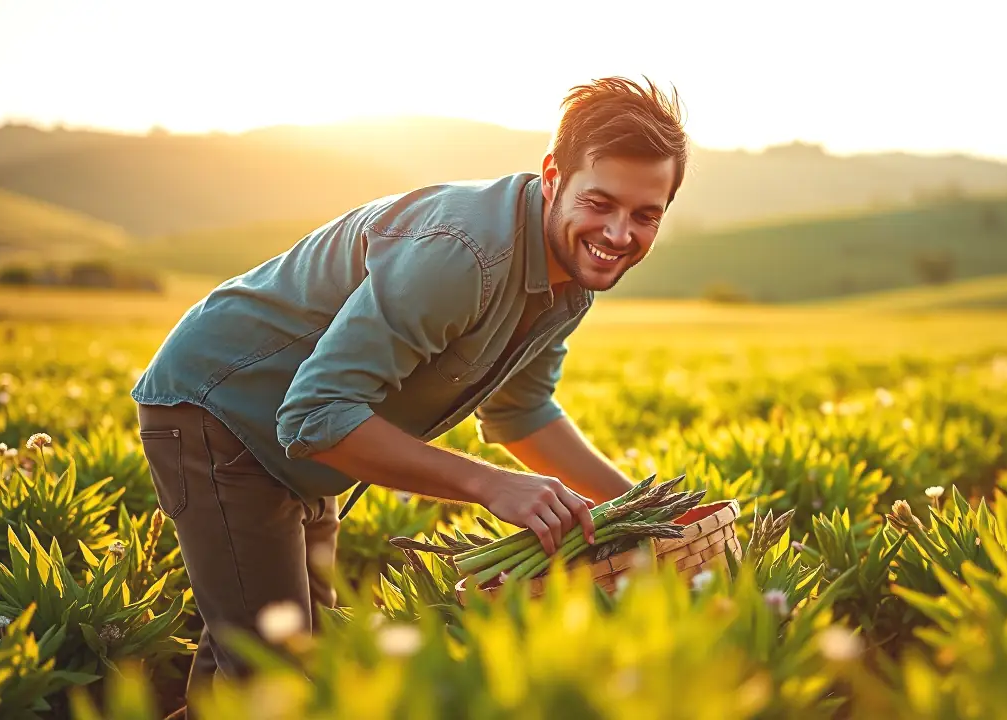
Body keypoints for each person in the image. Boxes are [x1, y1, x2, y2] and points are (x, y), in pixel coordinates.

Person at [130, 75, 689, 713]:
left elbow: (522, 414)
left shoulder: (571, 281)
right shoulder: (463, 253)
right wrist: (493, 485)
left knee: (269, 667)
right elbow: (315, 416)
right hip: (219, 413)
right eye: (600, 202)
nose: (619, 234)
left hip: (301, 452)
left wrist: (644, 513)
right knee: (276, 681)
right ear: (553, 176)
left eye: (646, 214)